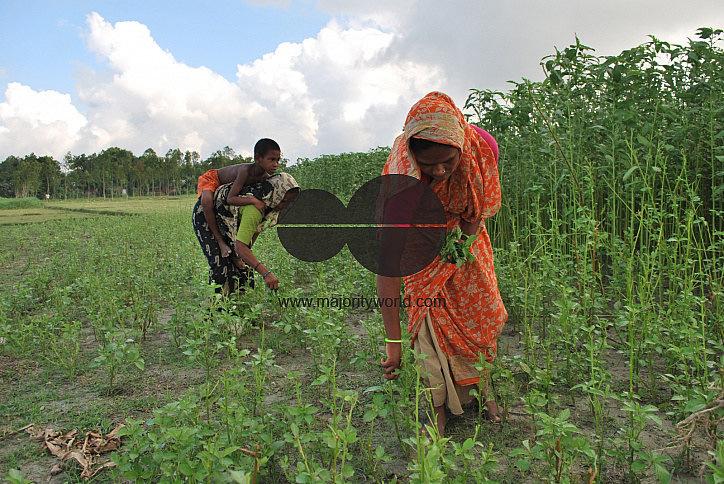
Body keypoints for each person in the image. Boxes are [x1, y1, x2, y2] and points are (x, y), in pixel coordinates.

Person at [377, 91, 507, 438]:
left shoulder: (481, 149)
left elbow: (475, 211)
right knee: (428, 325)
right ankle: (438, 409)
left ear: (461, 148)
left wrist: (458, 249)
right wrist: (393, 340)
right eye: (428, 164)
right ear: (411, 154)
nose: (439, 170)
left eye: (448, 161)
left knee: (477, 320)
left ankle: (483, 391)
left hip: (467, 239)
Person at [193, 172, 299, 295]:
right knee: (221, 266)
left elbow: (251, 235)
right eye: (284, 201)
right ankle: (213, 309)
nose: (285, 206)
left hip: (228, 220)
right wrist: (266, 273)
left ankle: (239, 304)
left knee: (243, 267)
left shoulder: (266, 205)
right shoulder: (254, 209)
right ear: (276, 194)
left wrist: (240, 256)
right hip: (207, 216)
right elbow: (240, 247)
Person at [196, 138, 281, 259]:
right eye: (271, 160)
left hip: (230, 190)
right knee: (206, 202)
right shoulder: (245, 171)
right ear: (257, 158)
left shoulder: (265, 178)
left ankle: (245, 249)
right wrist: (253, 201)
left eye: (278, 160)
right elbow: (230, 198)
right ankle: (220, 242)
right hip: (213, 179)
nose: (275, 164)